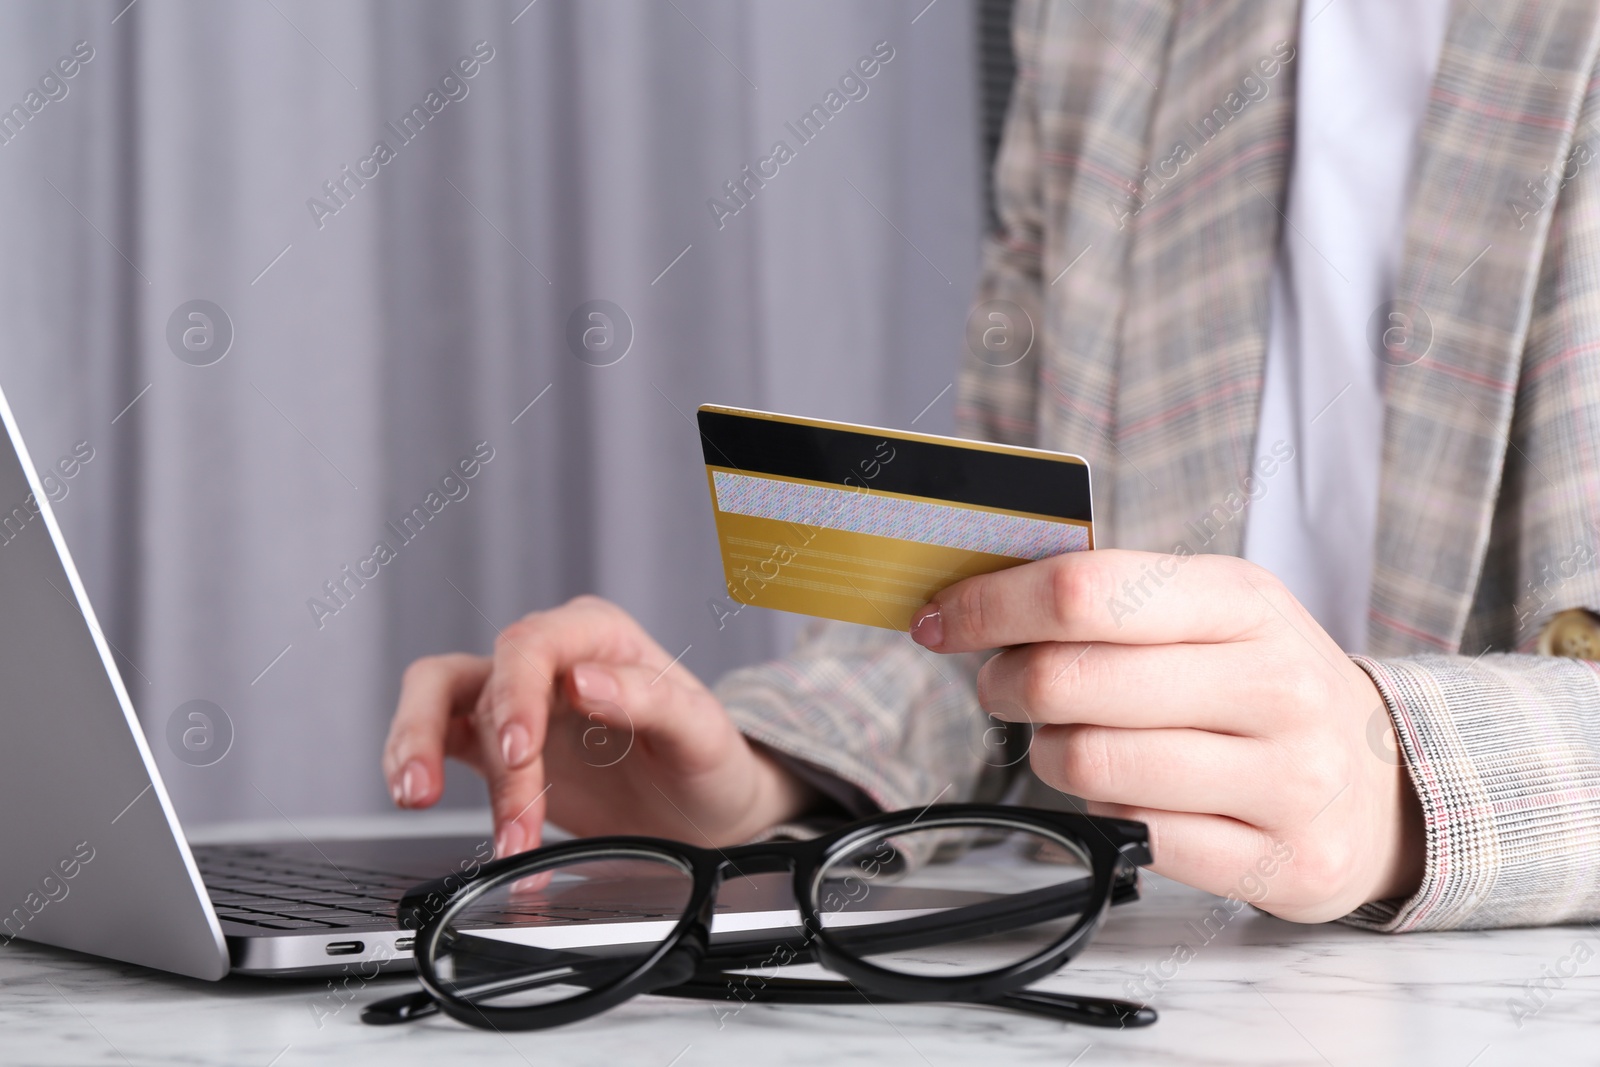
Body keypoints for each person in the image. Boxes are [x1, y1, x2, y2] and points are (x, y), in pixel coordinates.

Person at [384, 0, 1600, 933]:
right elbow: (1018, 618)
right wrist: (760, 774)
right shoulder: (1094, 24)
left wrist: (1398, 777)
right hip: (1149, 990)